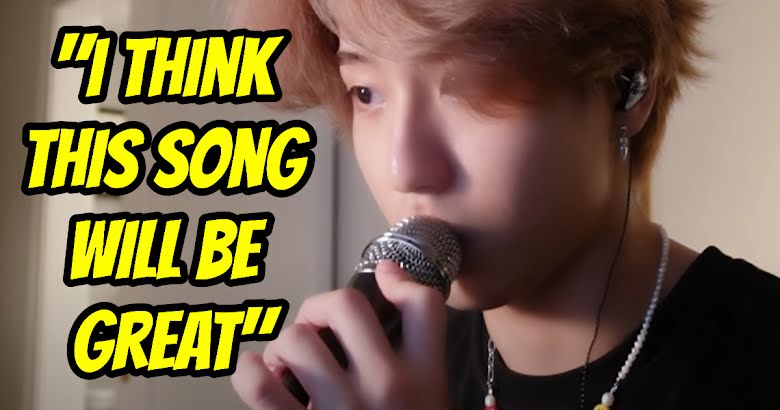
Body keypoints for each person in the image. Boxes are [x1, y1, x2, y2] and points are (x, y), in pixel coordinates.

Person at [229, 1, 780, 409]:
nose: (405, 168)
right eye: (367, 93)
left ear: (628, 85)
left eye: (473, 85)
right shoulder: (376, 372)